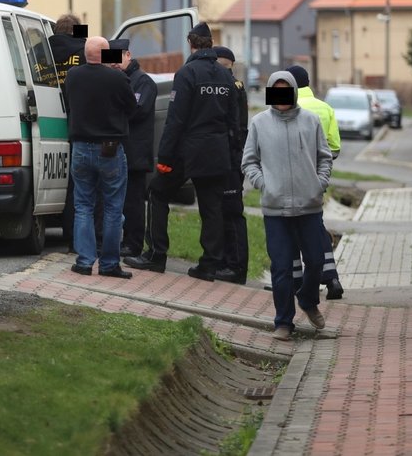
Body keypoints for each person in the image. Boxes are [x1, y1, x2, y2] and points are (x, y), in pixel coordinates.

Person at [124, 22, 239, 281]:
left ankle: (156, 254)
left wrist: (165, 157)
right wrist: (233, 155)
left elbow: (176, 120)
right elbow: (233, 120)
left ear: (191, 43)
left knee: (157, 192)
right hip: (218, 151)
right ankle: (209, 265)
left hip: (190, 151)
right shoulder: (225, 77)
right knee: (212, 207)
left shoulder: (187, 73)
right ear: (210, 44)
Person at [242, 71, 332, 340]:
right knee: (281, 267)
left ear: (293, 92)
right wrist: (264, 183)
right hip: (275, 210)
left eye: (286, 91)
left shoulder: (311, 121)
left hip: (309, 206)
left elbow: (324, 157)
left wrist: (319, 183)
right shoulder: (259, 123)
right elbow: (249, 161)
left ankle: (307, 299)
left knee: (316, 261)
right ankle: (283, 322)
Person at [63, 36, 136, 278]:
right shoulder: (117, 78)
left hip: (81, 148)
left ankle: (84, 262)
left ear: (85, 54)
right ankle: (109, 264)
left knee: (83, 205)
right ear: (106, 55)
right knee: (113, 207)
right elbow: (131, 107)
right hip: (110, 149)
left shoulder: (73, 76)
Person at [285, 65, 345, 300]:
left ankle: (296, 280)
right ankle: (331, 278)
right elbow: (335, 148)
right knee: (315, 226)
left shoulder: (284, 107)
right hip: (315, 181)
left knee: (288, 228)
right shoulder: (325, 108)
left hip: (288, 181)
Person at [110, 39, 158, 259]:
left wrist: (114, 111)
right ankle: (121, 240)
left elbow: (137, 112)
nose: (114, 64)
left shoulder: (143, 82)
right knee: (116, 200)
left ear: (128, 55)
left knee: (133, 202)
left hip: (135, 152)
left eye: (117, 59)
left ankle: (133, 243)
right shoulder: (113, 80)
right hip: (116, 150)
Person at [49, 14, 88, 250]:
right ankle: (75, 236)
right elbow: (121, 60)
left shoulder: (39, 50)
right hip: (80, 123)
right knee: (79, 184)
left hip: (46, 117)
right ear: (78, 31)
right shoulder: (87, 48)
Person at [213, 46, 249, 284]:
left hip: (231, 158)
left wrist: (235, 159)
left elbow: (237, 129)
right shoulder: (231, 86)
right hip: (227, 156)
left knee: (232, 212)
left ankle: (235, 267)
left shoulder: (233, 87)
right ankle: (226, 262)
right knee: (224, 212)